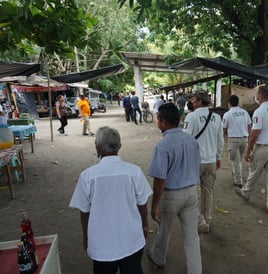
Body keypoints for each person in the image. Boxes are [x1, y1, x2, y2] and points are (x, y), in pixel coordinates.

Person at [69, 127, 153, 274]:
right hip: (131, 240)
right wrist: (145, 225)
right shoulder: (134, 172)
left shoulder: (88, 176)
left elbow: (84, 211)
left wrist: (86, 235)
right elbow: (142, 203)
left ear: (98, 148)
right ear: (119, 146)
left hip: (102, 245)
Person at [146, 103, 202, 274]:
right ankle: (195, 271)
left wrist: (154, 205)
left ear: (163, 121)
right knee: (192, 236)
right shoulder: (192, 140)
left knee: (163, 231)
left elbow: (159, 180)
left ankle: (158, 259)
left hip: (171, 196)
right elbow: (196, 167)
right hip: (191, 193)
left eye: (157, 120)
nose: (157, 123)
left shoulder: (163, 145)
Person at [235, 85, 268, 215]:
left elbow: (254, 134)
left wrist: (248, 151)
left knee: (254, 172)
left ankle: (245, 193)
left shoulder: (259, 112)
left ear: (260, 96)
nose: (255, 97)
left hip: (263, 148)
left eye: (256, 94)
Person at [183, 90, 224, 233]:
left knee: (190, 193)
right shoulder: (217, 117)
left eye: (193, 100)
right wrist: (218, 157)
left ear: (200, 101)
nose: (191, 102)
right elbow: (220, 140)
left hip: (195, 162)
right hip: (211, 161)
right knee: (208, 192)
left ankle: (199, 221)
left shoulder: (191, 117)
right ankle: (207, 219)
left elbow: (185, 140)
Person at [222, 95, 251, 187]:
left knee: (235, 160)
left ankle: (238, 181)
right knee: (239, 160)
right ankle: (236, 174)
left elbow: (223, 128)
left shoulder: (227, 114)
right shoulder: (244, 112)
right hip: (244, 139)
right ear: (238, 102)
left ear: (229, 103)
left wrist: (221, 139)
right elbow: (249, 126)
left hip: (233, 140)